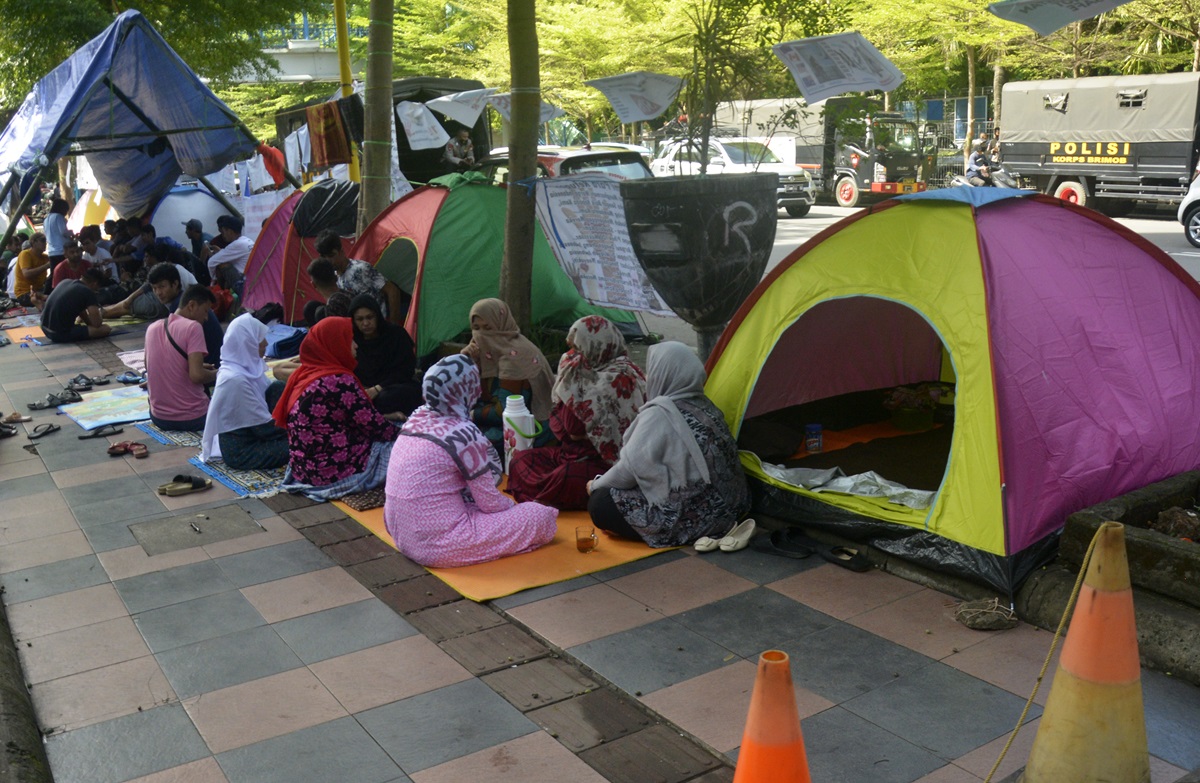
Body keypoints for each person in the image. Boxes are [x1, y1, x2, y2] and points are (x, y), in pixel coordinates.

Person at [384, 355, 558, 568]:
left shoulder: (416, 418)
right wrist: (515, 509)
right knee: (539, 515)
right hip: (437, 546)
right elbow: (491, 504)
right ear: (469, 388)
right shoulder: (463, 432)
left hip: (402, 536)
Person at [587, 341, 750, 548]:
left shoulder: (659, 414)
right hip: (735, 509)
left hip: (697, 521)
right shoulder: (706, 405)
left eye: (651, 370)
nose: (648, 377)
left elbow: (626, 473)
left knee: (601, 502)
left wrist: (595, 485)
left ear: (663, 373)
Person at [507, 315, 646, 509]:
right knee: (520, 461)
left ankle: (551, 497)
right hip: (571, 454)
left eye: (578, 349)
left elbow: (573, 429)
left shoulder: (619, 377)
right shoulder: (583, 372)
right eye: (571, 348)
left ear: (595, 347)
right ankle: (550, 496)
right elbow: (561, 431)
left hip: (608, 463)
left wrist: (572, 383)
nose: (571, 355)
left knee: (565, 476)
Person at [274, 317, 400, 499]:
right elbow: (376, 428)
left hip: (303, 470)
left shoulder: (307, 373)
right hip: (330, 473)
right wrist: (407, 435)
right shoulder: (339, 380)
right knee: (404, 448)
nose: (356, 345)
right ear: (335, 343)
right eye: (350, 340)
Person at [461, 298, 555, 452]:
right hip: (499, 420)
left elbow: (504, 412)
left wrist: (471, 414)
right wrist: (466, 361)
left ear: (502, 325)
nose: (481, 334)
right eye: (476, 328)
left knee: (467, 444)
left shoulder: (513, 356)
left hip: (530, 428)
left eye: (488, 327)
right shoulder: (486, 353)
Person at [200, 314, 289, 470]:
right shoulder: (235, 380)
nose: (266, 343)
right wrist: (300, 428)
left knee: (278, 388)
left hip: (255, 434)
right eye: (261, 339)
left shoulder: (244, 368)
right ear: (248, 342)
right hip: (242, 451)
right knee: (302, 445)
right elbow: (265, 429)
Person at [102, 263, 222, 365]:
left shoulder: (181, 307)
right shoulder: (179, 302)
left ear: (175, 284)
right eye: (154, 288)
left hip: (207, 365)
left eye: (162, 287)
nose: (158, 292)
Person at [145, 285, 218, 431]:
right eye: (205, 311)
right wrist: (221, 372)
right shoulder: (193, 327)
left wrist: (199, 366)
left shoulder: (152, 327)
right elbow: (196, 376)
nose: (206, 318)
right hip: (194, 418)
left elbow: (154, 366)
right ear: (191, 305)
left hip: (159, 417)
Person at [349, 293, 422, 420]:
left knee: (388, 397)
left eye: (370, 317)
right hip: (364, 389)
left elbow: (405, 370)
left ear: (378, 316)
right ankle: (384, 416)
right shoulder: (353, 340)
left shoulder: (395, 334)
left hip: (393, 386)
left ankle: (373, 414)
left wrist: (377, 389)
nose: (366, 323)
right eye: (360, 319)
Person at [314, 229, 405, 323]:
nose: (329, 261)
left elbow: (392, 291)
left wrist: (394, 326)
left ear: (341, 251)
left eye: (332, 255)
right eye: (324, 257)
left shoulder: (360, 269)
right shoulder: (335, 278)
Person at [39, 267, 111, 343]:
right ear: (95, 283)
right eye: (97, 288)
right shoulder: (87, 291)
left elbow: (81, 311)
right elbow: (97, 323)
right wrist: (99, 313)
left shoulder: (66, 282)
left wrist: (89, 324)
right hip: (58, 333)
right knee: (105, 329)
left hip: (44, 327)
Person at [204, 215, 253, 291]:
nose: (223, 235)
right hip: (253, 279)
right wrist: (220, 252)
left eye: (224, 232)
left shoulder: (236, 244)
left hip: (245, 285)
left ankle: (220, 290)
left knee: (222, 264)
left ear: (230, 231)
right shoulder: (247, 240)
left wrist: (214, 279)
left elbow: (211, 262)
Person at [12, 232, 50, 306]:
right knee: (47, 302)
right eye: (42, 240)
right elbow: (27, 274)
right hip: (24, 293)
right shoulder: (25, 254)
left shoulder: (45, 257)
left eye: (45, 241)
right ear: (34, 242)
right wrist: (45, 266)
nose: (45, 243)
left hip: (39, 290)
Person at [42, 197, 70, 280]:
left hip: (52, 251)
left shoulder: (46, 219)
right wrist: (72, 233)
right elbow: (64, 231)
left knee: (54, 274)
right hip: (62, 250)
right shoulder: (59, 217)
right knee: (64, 273)